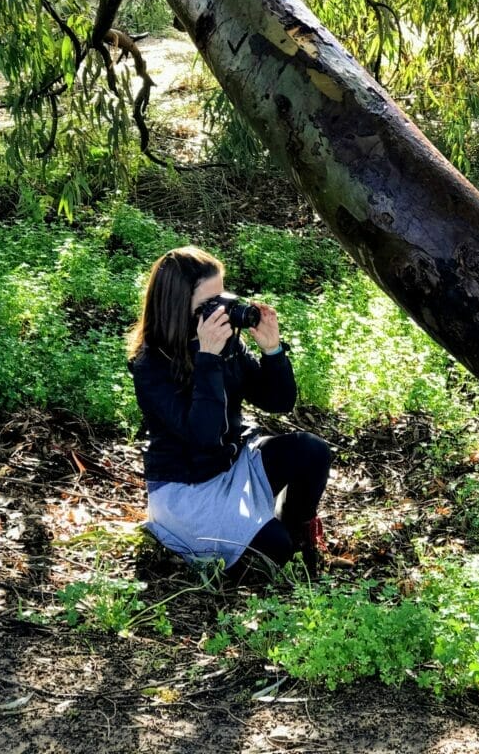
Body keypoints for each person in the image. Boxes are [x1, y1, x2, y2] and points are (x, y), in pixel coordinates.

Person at [126, 246, 332, 577]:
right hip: (187, 488)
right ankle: (263, 539)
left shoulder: (225, 341)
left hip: (233, 462)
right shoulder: (150, 366)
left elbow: (279, 402)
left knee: (312, 451)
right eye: (209, 305)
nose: (221, 311)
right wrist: (207, 359)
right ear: (179, 308)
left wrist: (273, 351)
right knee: (273, 550)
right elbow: (203, 437)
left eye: (222, 297)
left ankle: (295, 533)